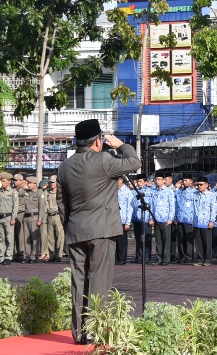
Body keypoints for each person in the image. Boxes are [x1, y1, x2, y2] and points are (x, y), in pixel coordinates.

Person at [56, 119, 141, 344]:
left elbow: (61, 203)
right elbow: (134, 163)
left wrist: (69, 228)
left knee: (79, 281)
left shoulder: (64, 166)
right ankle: (94, 330)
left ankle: (78, 333)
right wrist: (120, 144)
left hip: (75, 230)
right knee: (99, 280)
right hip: (101, 229)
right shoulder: (104, 159)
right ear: (97, 141)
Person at [149, 171, 175, 266]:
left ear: (164, 180)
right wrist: (151, 218)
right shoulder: (154, 191)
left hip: (165, 219)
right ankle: (159, 258)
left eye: (159, 179)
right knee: (158, 240)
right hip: (156, 219)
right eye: (156, 179)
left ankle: (166, 259)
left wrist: (170, 218)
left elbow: (172, 206)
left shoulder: (169, 191)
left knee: (166, 240)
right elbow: (151, 205)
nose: (157, 181)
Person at [192, 176, 217, 266]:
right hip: (197, 221)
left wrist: (212, 220)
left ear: (206, 185)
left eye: (201, 184)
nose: (199, 186)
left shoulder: (211, 195)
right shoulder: (195, 194)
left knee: (207, 241)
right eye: (198, 185)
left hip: (206, 221)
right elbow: (193, 208)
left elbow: (214, 208)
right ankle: (200, 259)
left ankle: (207, 259)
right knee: (198, 242)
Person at [21, 176, 46, 263]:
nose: (28, 184)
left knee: (34, 238)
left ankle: (33, 256)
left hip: (34, 217)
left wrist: (40, 219)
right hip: (26, 216)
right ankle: (27, 255)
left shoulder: (40, 193)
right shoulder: (26, 192)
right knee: (26, 238)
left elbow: (41, 208)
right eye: (28, 183)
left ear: (35, 184)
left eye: (30, 183)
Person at [0, 172, 18, 265]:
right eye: (1, 181)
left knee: (9, 238)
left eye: (4, 181)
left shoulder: (13, 192)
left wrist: (13, 217)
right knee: (1, 238)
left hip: (8, 217)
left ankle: (8, 256)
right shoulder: (1, 191)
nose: (2, 183)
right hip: (1, 217)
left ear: (9, 182)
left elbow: (15, 206)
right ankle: (1, 256)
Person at [115, 177, 133, 265]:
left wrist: (128, 222)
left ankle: (122, 258)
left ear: (121, 180)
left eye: (117, 180)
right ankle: (115, 258)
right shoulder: (114, 191)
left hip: (122, 219)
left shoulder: (127, 192)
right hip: (114, 219)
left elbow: (130, 208)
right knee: (114, 240)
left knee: (122, 241)